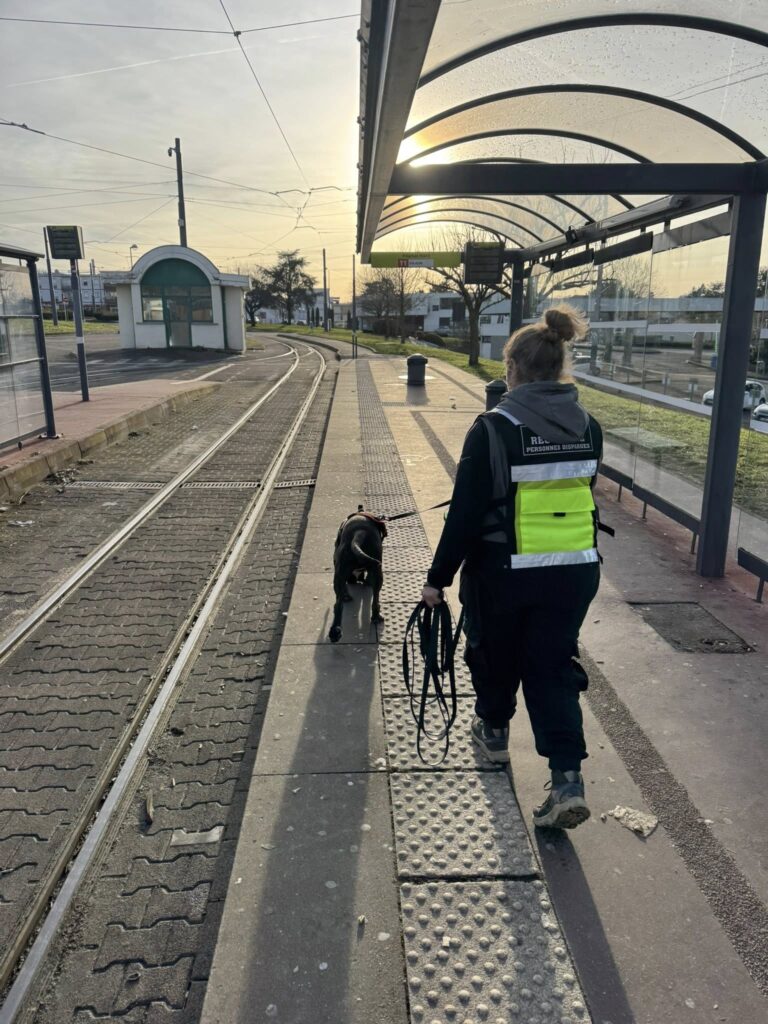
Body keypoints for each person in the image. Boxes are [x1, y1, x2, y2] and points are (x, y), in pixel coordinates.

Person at [422, 305, 604, 829]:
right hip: (573, 570)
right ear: (559, 368)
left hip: (503, 572)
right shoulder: (588, 427)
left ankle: (495, 734)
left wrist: (437, 581)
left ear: (514, 370)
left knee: (493, 651)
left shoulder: (492, 429)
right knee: (551, 666)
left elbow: (465, 516)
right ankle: (567, 779)